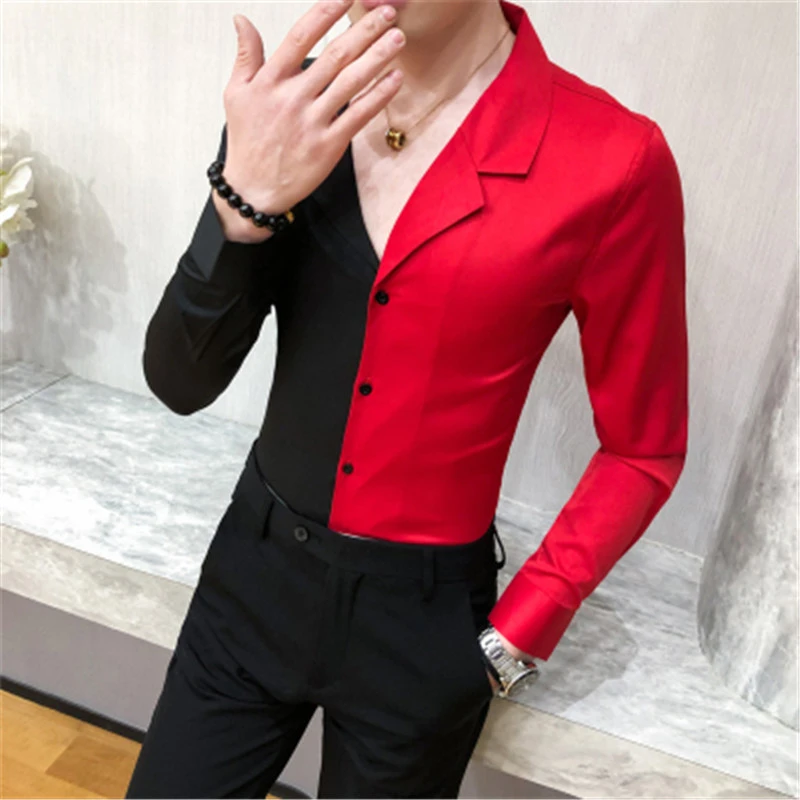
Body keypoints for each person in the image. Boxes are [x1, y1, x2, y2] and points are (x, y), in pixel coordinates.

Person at [125, 0, 689, 796]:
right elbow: (179, 382)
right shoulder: (289, 112)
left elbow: (644, 446)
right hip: (253, 579)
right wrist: (239, 208)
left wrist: (516, 637)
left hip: (424, 629)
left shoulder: (613, 159)